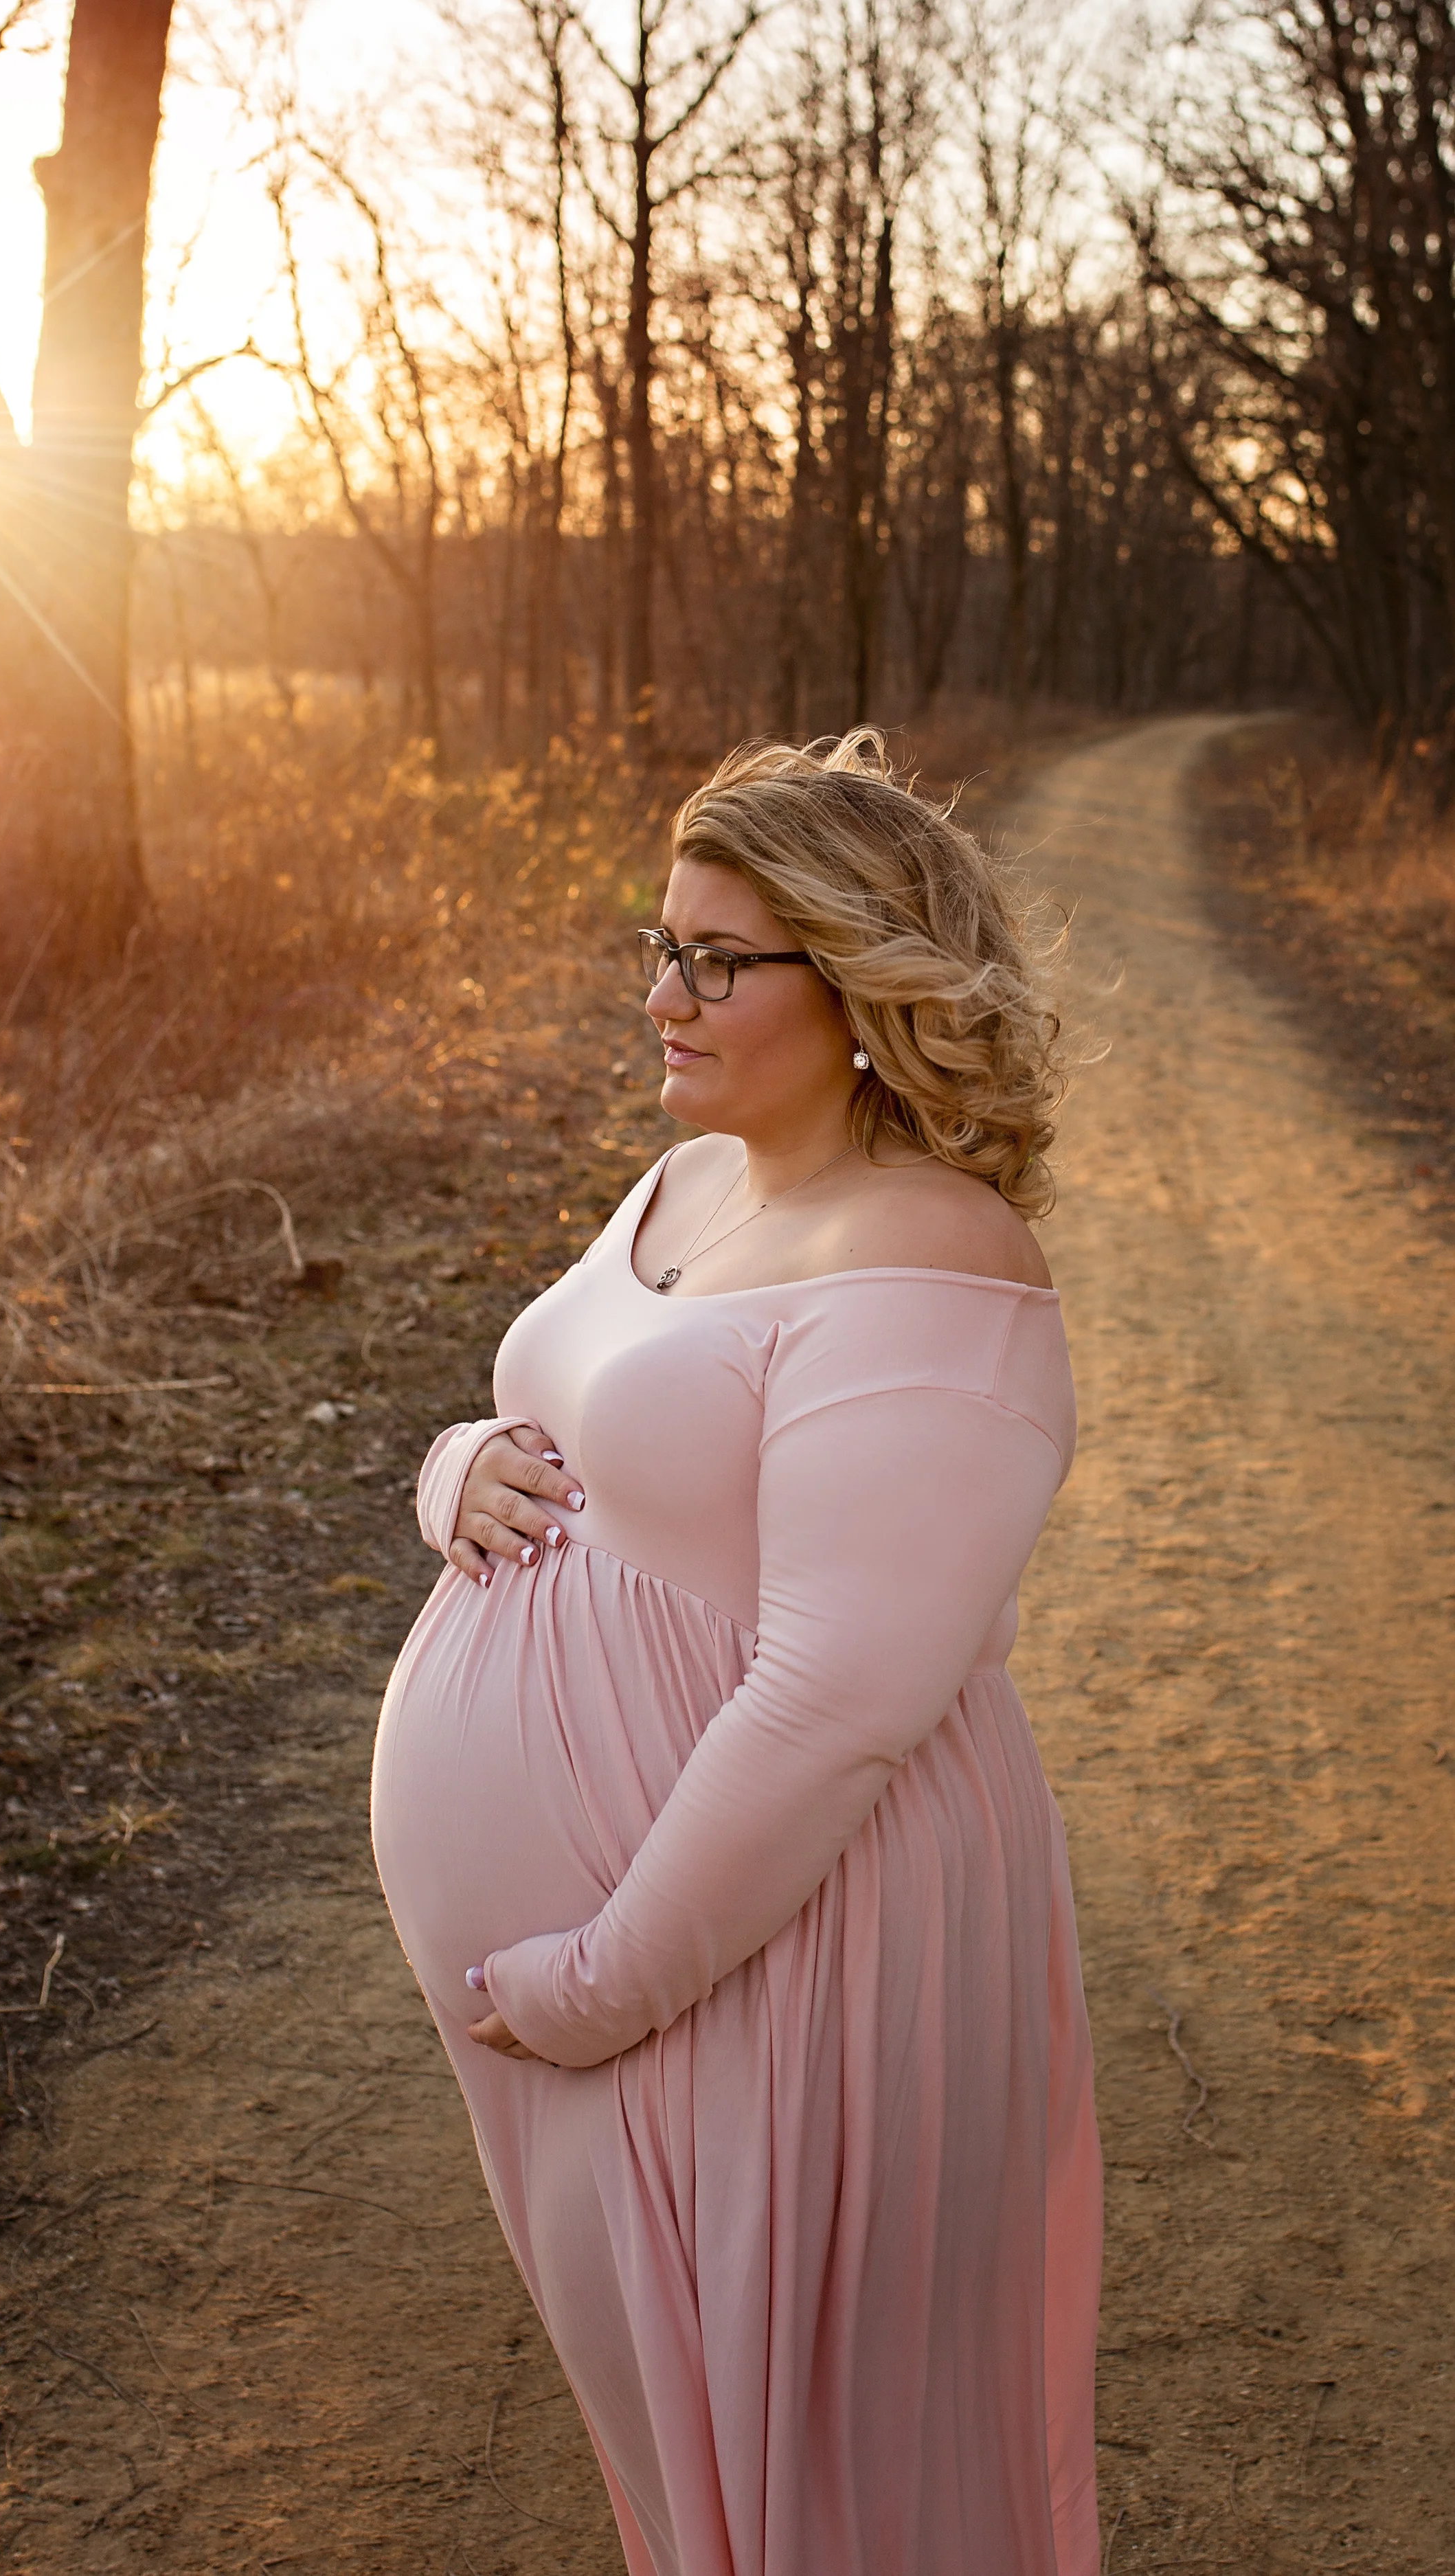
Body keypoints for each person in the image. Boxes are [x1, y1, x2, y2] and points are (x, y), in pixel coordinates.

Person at [370, 727, 1102, 2576]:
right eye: (661, 940)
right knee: (691, 2464)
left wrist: (606, 1980)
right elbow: (571, 1427)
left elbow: (842, 1691)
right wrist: (455, 1472)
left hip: (769, 1965)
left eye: (715, 958)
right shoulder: (682, 1185)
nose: (657, 995)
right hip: (611, 1990)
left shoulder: (935, 1255)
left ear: (858, 985)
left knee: (817, 2481)